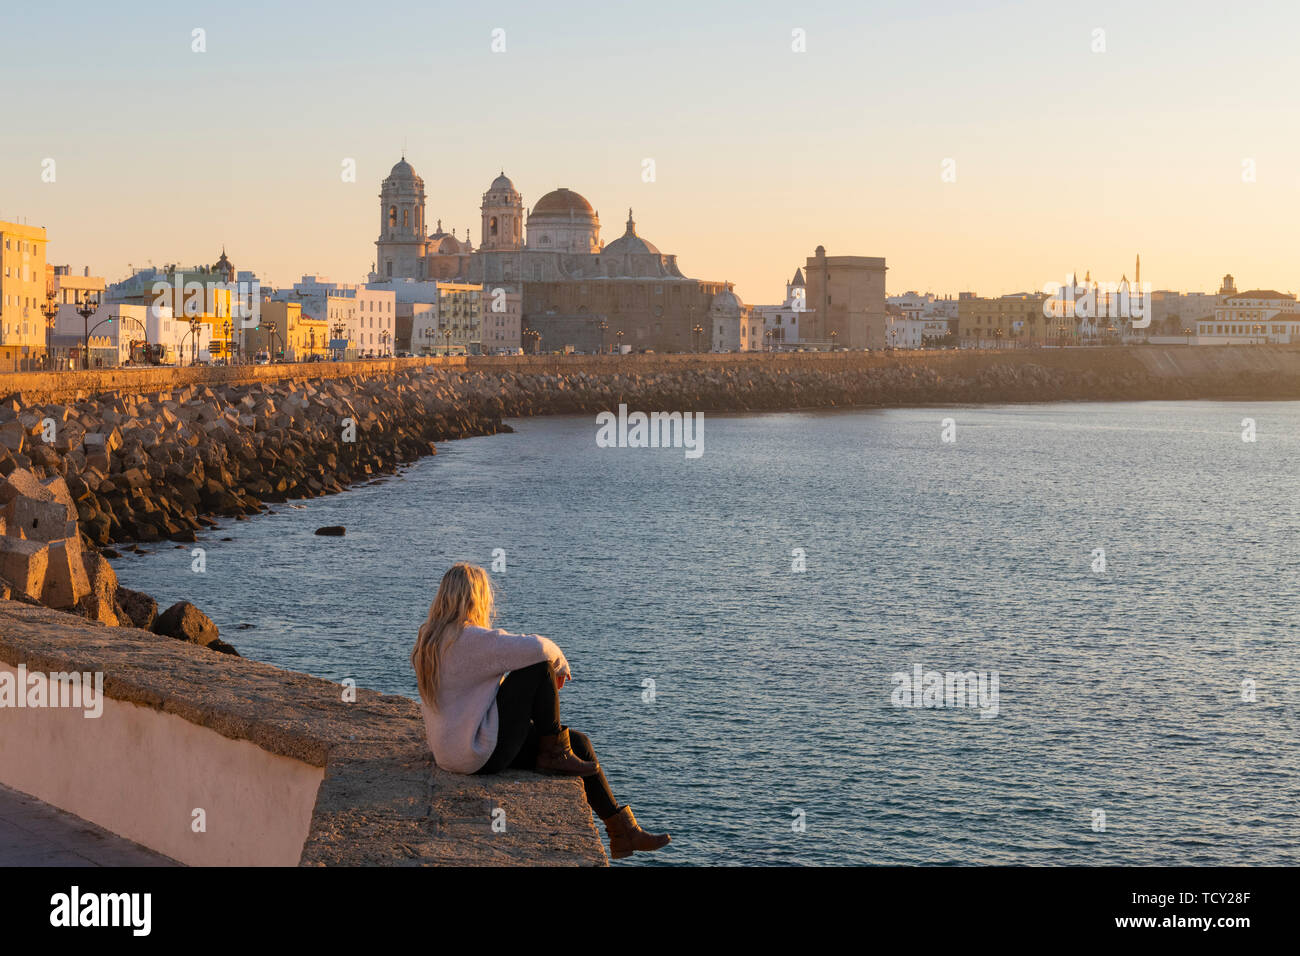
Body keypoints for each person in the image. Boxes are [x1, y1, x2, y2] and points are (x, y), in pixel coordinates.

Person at [411, 563, 670, 860]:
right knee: (538, 668)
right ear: (476, 598)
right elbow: (539, 648)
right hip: (478, 754)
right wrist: (560, 667)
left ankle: (622, 832)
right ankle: (554, 753)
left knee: (579, 743)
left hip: (449, 752)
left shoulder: (429, 638)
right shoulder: (472, 639)